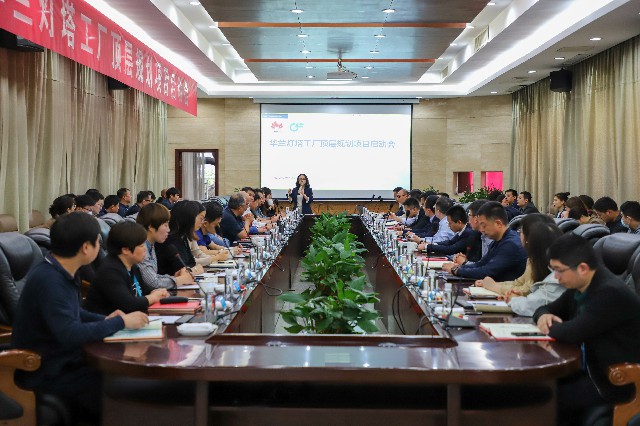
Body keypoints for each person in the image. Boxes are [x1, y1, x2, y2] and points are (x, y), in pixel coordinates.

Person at [11, 212, 148, 423]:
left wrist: (104, 320)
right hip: (47, 370)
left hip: (66, 360)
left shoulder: (61, 270)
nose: (100, 247)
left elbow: (74, 311)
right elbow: (69, 333)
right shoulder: (50, 281)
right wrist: (120, 322)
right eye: (97, 243)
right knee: (119, 388)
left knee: (125, 378)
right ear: (86, 247)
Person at [533, 234, 640, 422]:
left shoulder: (610, 293)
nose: (556, 277)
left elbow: (572, 333)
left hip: (614, 382)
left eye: (559, 270)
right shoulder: (580, 286)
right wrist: (543, 316)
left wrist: (548, 325)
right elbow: (545, 309)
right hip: (590, 372)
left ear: (582, 268)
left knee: (543, 398)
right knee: (536, 387)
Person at [84, 221, 169, 315]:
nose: (145, 249)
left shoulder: (133, 266)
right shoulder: (110, 271)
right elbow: (128, 304)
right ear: (125, 250)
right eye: (141, 245)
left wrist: (156, 292)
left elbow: (142, 293)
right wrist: (153, 297)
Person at [475, 214, 560, 297]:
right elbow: (518, 283)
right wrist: (491, 284)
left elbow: (527, 291)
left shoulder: (544, 260)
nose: (519, 235)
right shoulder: (533, 258)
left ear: (529, 237)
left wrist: (495, 287)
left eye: (521, 232)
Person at [443, 201, 527, 281]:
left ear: (498, 223)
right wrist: (458, 267)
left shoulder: (510, 244)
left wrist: (456, 270)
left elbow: (487, 271)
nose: (481, 230)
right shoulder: (498, 240)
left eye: (484, 226)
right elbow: (481, 264)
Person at [136, 203, 194, 290]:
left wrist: (173, 278)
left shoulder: (151, 244)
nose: (168, 230)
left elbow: (154, 276)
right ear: (151, 227)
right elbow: (153, 283)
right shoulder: (140, 247)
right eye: (165, 225)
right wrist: (179, 280)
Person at [155, 200, 206, 275]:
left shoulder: (183, 237)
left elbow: (192, 262)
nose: (202, 222)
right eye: (200, 218)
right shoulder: (170, 240)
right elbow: (183, 270)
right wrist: (196, 269)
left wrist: (193, 269)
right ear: (189, 219)